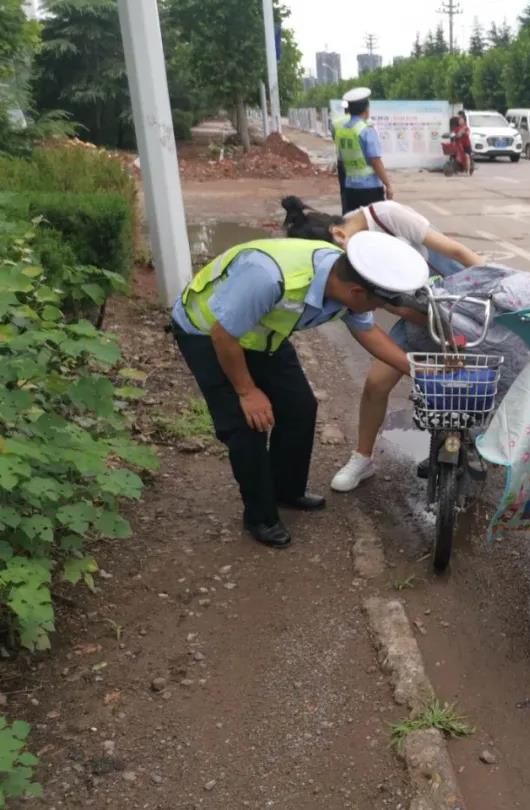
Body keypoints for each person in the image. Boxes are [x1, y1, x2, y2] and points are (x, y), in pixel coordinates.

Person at [170, 232, 428, 549]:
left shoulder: (349, 280)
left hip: (263, 334)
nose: (379, 310)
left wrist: (418, 370)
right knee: (246, 426)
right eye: (378, 304)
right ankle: (260, 517)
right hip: (209, 333)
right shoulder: (268, 276)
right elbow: (224, 335)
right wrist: (247, 392)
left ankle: (286, 491)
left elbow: (367, 330)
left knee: (300, 408)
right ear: (357, 293)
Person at [277, 196, 485, 492]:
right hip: (418, 313)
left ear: (338, 235)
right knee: (376, 382)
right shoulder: (348, 258)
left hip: (462, 304)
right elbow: (392, 307)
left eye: (332, 256)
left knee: (476, 377)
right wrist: (432, 334)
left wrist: (495, 288)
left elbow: (456, 251)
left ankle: (476, 443)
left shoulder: (387, 216)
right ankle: (362, 458)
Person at [332, 87, 393, 214]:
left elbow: (341, 159)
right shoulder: (366, 131)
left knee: (354, 226)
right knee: (373, 227)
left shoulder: (342, 131)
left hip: (349, 187)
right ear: (366, 109)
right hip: (370, 189)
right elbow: (375, 161)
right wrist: (388, 185)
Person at [452, 111, 473, 175]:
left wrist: (463, 132)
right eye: (459, 120)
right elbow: (454, 134)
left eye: (461, 120)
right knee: (458, 157)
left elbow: (468, 133)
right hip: (459, 145)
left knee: (467, 156)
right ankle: (458, 169)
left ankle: (468, 171)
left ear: (464, 121)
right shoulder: (456, 128)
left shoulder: (466, 128)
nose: (460, 121)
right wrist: (455, 135)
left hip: (466, 145)